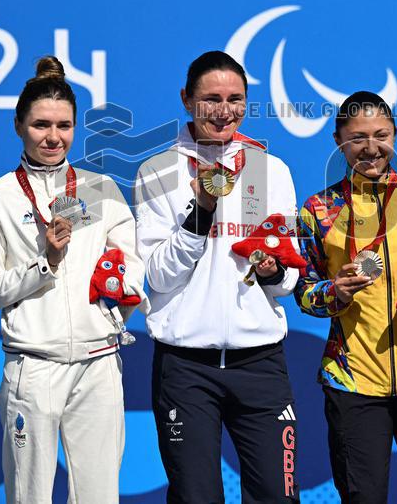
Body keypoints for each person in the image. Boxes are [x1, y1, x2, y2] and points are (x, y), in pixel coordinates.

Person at [0, 55, 147, 504]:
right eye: (40, 125)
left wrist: (118, 296)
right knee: (29, 497)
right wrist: (44, 261)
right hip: (34, 366)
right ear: (18, 125)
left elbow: (133, 268)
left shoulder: (101, 189)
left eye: (64, 126)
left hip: (98, 365)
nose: (53, 137)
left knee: (99, 498)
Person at [134, 51, 302, 503]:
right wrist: (201, 211)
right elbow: (158, 276)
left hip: (261, 363)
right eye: (211, 99)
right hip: (186, 367)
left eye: (235, 98)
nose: (224, 110)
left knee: (277, 497)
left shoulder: (271, 170)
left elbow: (288, 280)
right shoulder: (158, 171)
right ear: (187, 100)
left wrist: (274, 269)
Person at [294, 91, 397, 504]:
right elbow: (303, 291)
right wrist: (335, 292)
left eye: (381, 135)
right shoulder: (318, 210)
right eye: (357, 138)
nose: (371, 148)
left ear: (395, 134)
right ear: (338, 140)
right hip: (354, 385)